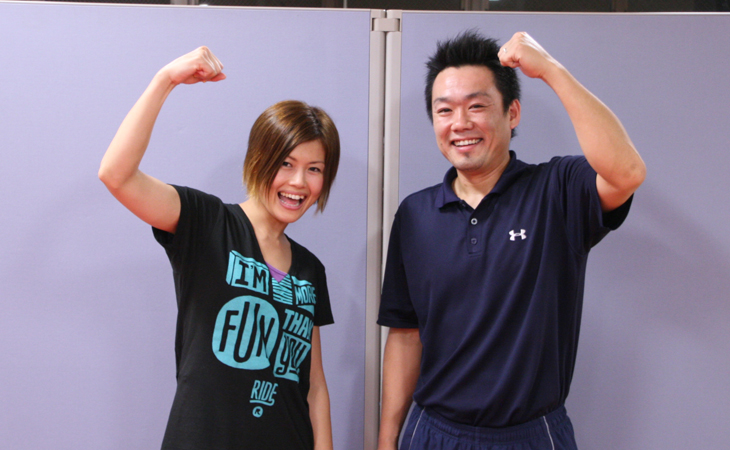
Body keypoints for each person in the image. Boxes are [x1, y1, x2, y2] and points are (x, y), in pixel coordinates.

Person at [377, 30, 646, 450]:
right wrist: (386, 437)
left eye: (477, 106)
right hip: (432, 432)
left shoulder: (556, 190)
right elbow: (405, 334)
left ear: (512, 112)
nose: (460, 123)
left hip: (531, 434)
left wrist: (551, 71)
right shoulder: (415, 214)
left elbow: (627, 172)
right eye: (444, 110)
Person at [99, 46, 339, 450]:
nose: (299, 182)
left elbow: (313, 385)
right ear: (259, 160)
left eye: (314, 169)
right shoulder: (207, 223)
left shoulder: (310, 269)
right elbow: (116, 175)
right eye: (286, 163)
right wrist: (165, 80)